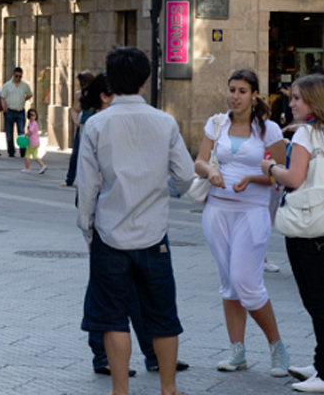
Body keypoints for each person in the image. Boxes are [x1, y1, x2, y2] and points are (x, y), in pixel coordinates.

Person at [77, 47, 193, 395]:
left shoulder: (96, 123)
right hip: (154, 234)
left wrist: (87, 226)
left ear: (111, 82)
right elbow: (186, 177)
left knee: (113, 317)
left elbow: (87, 184)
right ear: (145, 81)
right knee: (162, 314)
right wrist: (164, 190)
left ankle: (120, 390)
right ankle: (169, 388)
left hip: (110, 234)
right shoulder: (165, 122)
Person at [193, 68, 288, 376]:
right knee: (229, 284)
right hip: (217, 211)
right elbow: (199, 161)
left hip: (253, 211)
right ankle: (238, 351)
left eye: (242, 91)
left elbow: (281, 174)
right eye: (232, 89)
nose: (235, 96)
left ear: (254, 94)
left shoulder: (270, 130)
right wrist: (211, 172)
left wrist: (252, 177)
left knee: (246, 281)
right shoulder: (216, 124)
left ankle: (277, 347)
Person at [260, 74, 324, 394]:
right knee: (319, 298)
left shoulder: (303, 137)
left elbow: (294, 179)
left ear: (314, 100)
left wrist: (270, 168)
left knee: (317, 301)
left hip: (305, 226)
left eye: (298, 97)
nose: (292, 102)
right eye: (292, 96)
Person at [63, 71, 94, 187]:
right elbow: (75, 109)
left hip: (94, 126)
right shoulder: (79, 94)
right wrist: (75, 119)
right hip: (82, 125)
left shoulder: (97, 94)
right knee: (76, 152)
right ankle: (69, 179)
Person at [0, 66, 32, 158]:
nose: (18, 78)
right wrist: (4, 106)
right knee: (9, 132)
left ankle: (23, 151)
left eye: (20, 76)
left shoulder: (24, 85)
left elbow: (30, 94)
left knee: (21, 132)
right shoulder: (7, 85)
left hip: (20, 111)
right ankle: (11, 151)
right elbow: (2, 97)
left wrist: (23, 99)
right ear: (13, 75)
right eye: (16, 76)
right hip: (9, 111)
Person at [21, 108, 47, 174]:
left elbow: (30, 131)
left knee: (27, 155)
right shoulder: (32, 123)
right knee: (35, 156)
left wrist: (24, 135)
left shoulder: (33, 123)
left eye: (34, 115)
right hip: (36, 142)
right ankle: (43, 166)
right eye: (31, 115)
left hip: (32, 142)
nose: (33, 117)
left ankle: (27, 169)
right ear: (29, 116)